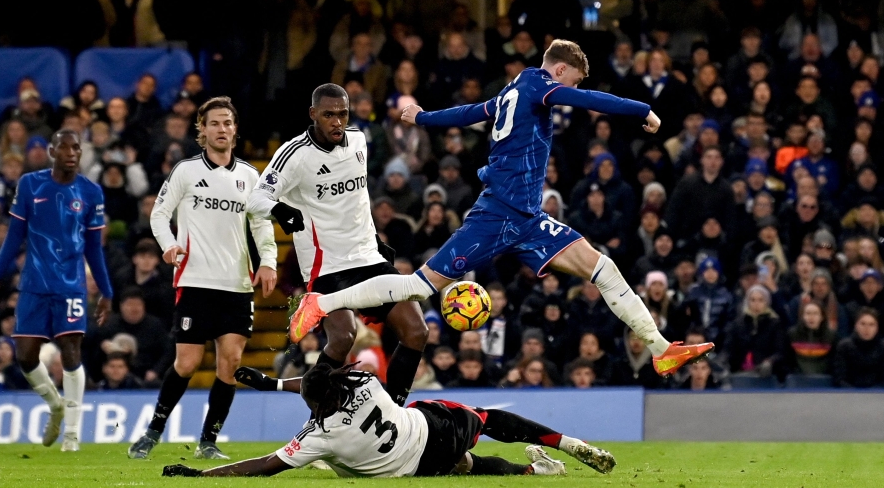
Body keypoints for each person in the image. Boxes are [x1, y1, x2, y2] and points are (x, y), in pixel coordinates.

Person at [290, 40, 714, 378]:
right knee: (419, 287)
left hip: (528, 218)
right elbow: (590, 102)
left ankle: (661, 350)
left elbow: (472, 112)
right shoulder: (537, 85)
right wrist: (644, 111)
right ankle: (321, 304)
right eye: (574, 81)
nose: (575, 89)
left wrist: (422, 118)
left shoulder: (514, 89)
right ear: (561, 71)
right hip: (499, 214)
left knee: (602, 267)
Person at [245, 83, 429, 409]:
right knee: (343, 337)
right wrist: (279, 209)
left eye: (342, 114)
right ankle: (319, 419)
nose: (337, 122)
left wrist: (373, 240)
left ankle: (395, 412)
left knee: (417, 331)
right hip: (327, 264)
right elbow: (256, 197)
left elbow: (358, 199)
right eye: (329, 114)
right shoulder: (294, 154)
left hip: (367, 257)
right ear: (313, 114)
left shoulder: (359, 141)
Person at [128, 97, 277, 460]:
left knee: (230, 362)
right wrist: (167, 245)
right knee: (188, 363)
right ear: (202, 130)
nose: (222, 129)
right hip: (195, 281)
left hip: (237, 285)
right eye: (215, 123)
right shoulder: (186, 171)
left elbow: (260, 223)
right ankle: (153, 431)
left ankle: (208, 442)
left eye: (228, 122)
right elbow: (160, 214)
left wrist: (269, 261)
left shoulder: (249, 176)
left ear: (235, 129)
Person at [164, 363, 615, 479]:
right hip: (431, 429)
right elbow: (319, 380)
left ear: (316, 406)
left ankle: (535, 470)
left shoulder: (320, 435)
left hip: (416, 467)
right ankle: (566, 446)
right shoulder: (363, 379)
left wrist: (202, 472)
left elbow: (263, 465)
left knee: (467, 467)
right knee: (488, 418)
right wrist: (274, 383)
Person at [0, 129, 114, 450]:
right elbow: (14, 236)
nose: (71, 152)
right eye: (64, 147)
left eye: (76, 148)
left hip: (71, 286)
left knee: (71, 352)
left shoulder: (91, 192)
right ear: (52, 152)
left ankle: (71, 434)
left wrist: (107, 291)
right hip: (34, 285)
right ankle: (55, 404)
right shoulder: (30, 184)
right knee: (25, 355)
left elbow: (94, 248)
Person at [832, 308, 884, 389]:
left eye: (871, 324)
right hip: (849, 395)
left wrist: (871, 394)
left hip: (878, 396)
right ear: (856, 325)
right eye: (863, 324)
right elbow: (839, 378)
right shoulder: (844, 346)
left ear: (877, 327)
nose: (867, 328)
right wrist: (855, 394)